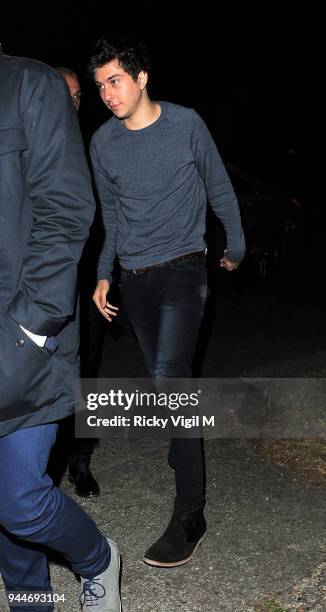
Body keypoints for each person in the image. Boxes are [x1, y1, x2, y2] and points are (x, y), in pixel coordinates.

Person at [89, 33, 246, 569]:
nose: (108, 94)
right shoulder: (102, 144)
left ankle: (190, 514)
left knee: (170, 379)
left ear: (141, 78)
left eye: (115, 81)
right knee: (165, 385)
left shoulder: (186, 124)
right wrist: (104, 273)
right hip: (134, 279)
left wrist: (237, 246)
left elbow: (219, 187)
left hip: (183, 268)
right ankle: (184, 449)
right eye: (100, 86)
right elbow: (110, 218)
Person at [0, 47, 121, 611]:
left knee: (22, 498)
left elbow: (74, 209)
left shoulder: (30, 87)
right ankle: (28, 594)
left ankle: (98, 558)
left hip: (32, 322)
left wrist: (34, 326)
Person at [54, 65, 102, 498]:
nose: (73, 100)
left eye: (77, 94)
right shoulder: (34, 140)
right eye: (64, 91)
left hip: (86, 283)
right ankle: (43, 466)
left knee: (86, 373)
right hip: (44, 284)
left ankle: (79, 461)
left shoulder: (91, 144)